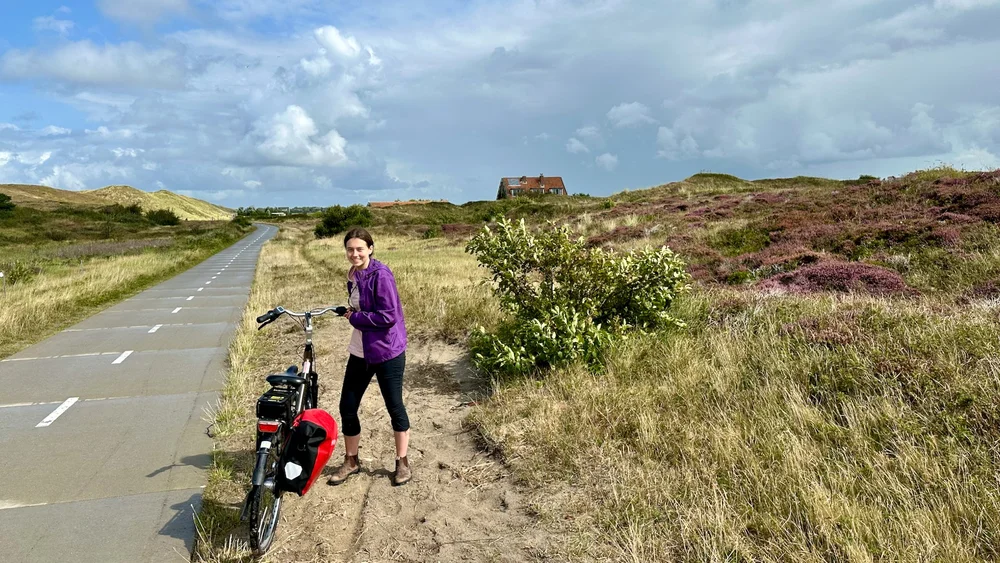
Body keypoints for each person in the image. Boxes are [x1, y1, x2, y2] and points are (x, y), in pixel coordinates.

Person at [328, 227, 411, 486]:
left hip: (387, 350)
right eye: (350, 249)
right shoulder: (353, 274)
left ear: (370, 249)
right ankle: (351, 461)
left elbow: (388, 316)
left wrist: (355, 317)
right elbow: (362, 304)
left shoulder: (381, 275)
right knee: (347, 407)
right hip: (360, 350)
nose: (354, 254)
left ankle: (402, 463)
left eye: (360, 249)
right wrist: (352, 310)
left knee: (394, 406)